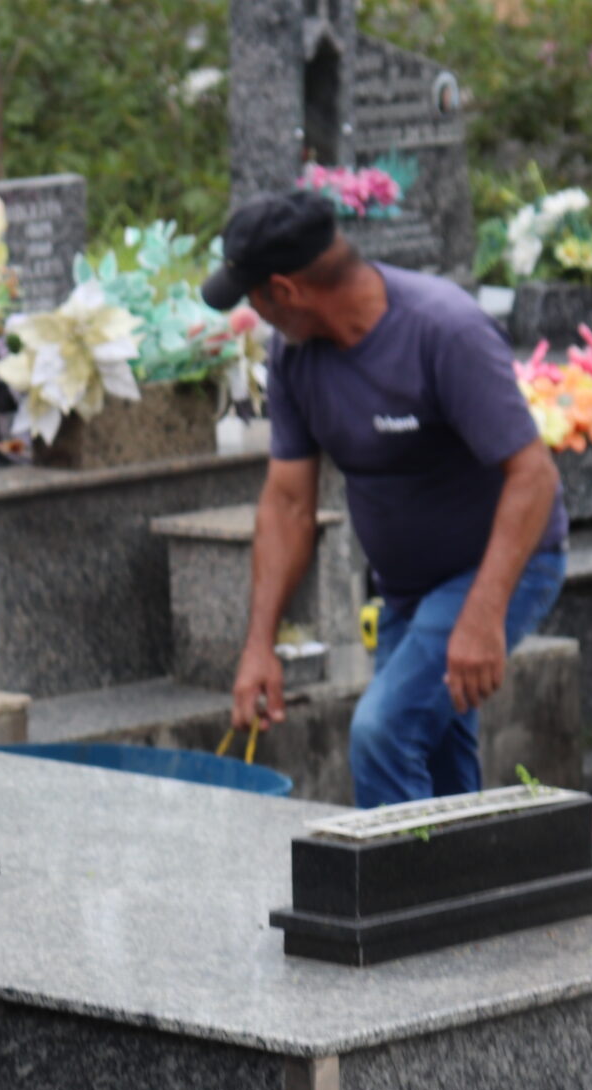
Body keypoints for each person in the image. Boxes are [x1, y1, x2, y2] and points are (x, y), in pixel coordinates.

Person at [209, 191, 565, 808]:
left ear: (285, 292)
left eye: (254, 299)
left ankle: (403, 897)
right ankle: (469, 890)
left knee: (385, 731)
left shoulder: (442, 329)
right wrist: (260, 644)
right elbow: (288, 502)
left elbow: (534, 476)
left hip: (498, 568)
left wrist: (482, 615)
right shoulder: (293, 357)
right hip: (406, 589)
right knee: (437, 749)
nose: (256, 315)